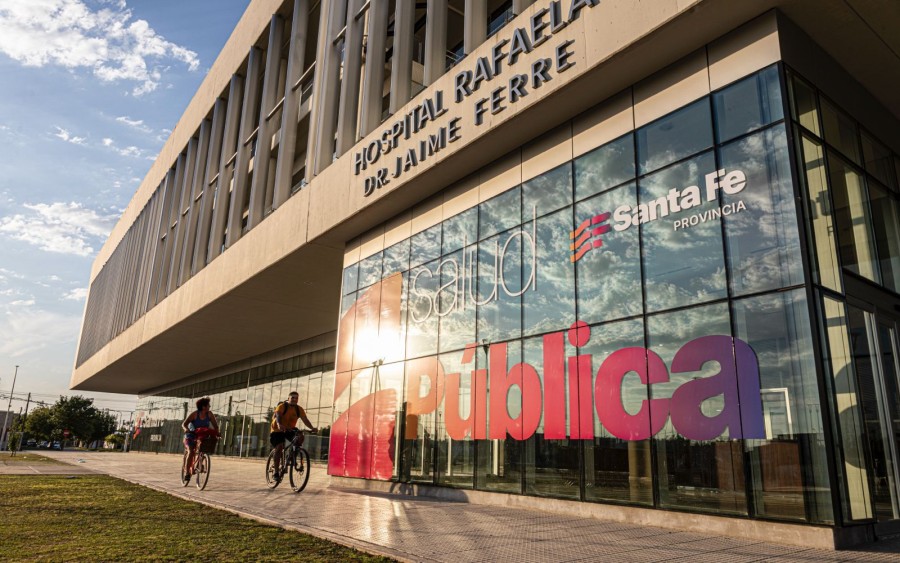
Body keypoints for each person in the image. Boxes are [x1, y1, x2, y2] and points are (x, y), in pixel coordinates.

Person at [269, 391, 316, 478]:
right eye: (292, 398)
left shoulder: (299, 409)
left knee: (300, 435)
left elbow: (305, 420)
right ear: (288, 398)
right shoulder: (282, 406)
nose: (294, 399)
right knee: (279, 447)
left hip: (289, 429)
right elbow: (278, 415)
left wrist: (312, 428)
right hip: (277, 430)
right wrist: (279, 424)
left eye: (296, 398)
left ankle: (293, 455)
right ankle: (276, 472)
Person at [182, 397, 219, 483]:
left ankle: (199, 463)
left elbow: (216, 426)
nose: (209, 406)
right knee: (191, 451)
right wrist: (186, 429)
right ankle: (187, 473)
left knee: (203, 449)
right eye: (208, 405)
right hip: (191, 435)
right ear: (203, 407)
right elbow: (184, 424)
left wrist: (217, 433)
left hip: (201, 436)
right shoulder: (195, 414)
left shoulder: (209, 414)